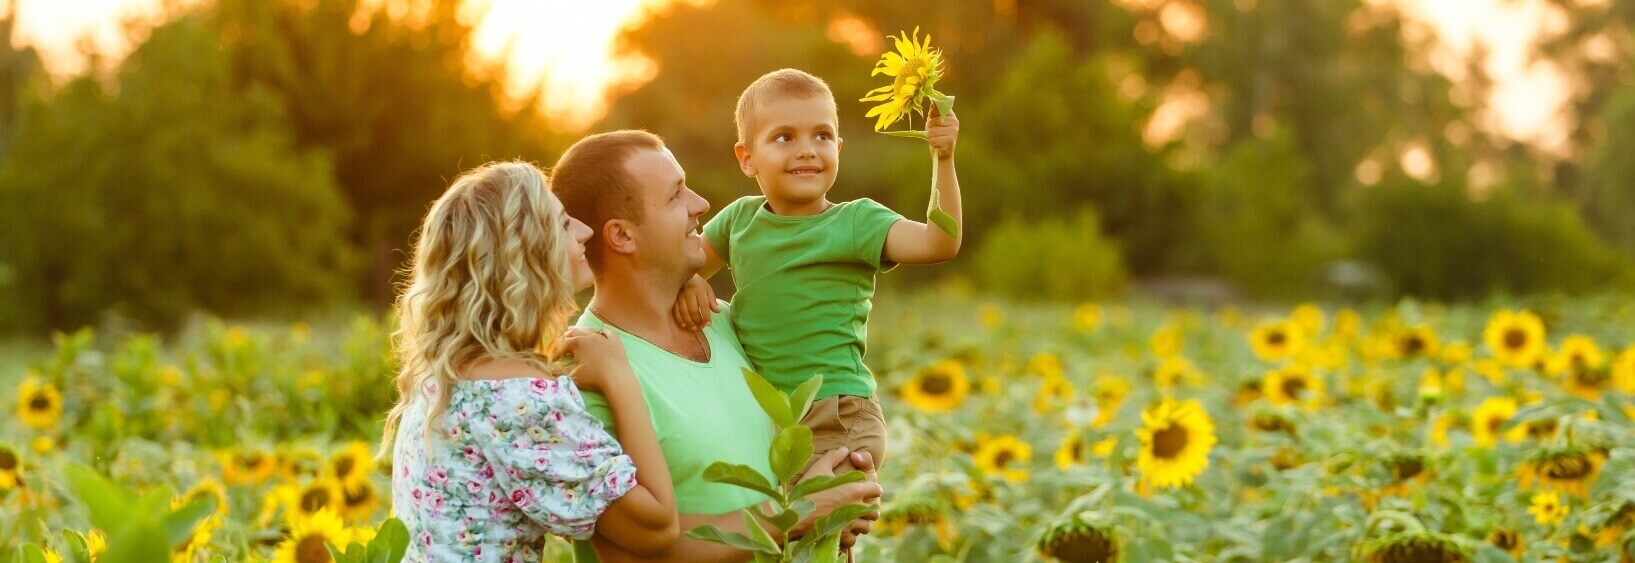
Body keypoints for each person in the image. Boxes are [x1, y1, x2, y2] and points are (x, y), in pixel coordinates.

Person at [550, 130, 883, 562]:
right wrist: (795, 514)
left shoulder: (725, 320)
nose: (701, 204)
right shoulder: (585, 372)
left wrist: (844, 486)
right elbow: (631, 553)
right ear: (622, 236)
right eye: (675, 196)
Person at [673, 68, 963, 482]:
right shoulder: (738, 220)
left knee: (819, 532)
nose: (807, 150)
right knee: (784, 541)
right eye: (784, 137)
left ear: (838, 148)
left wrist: (944, 158)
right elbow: (676, 267)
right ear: (747, 158)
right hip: (768, 416)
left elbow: (940, 243)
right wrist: (689, 280)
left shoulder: (857, 222)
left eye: (822, 136)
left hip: (836, 414)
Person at [382, 161, 679, 561]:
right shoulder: (519, 398)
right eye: (562, 223)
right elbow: (657, 528)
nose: (585, 231)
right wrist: (617, 375)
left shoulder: (441, 377)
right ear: (525, 254)